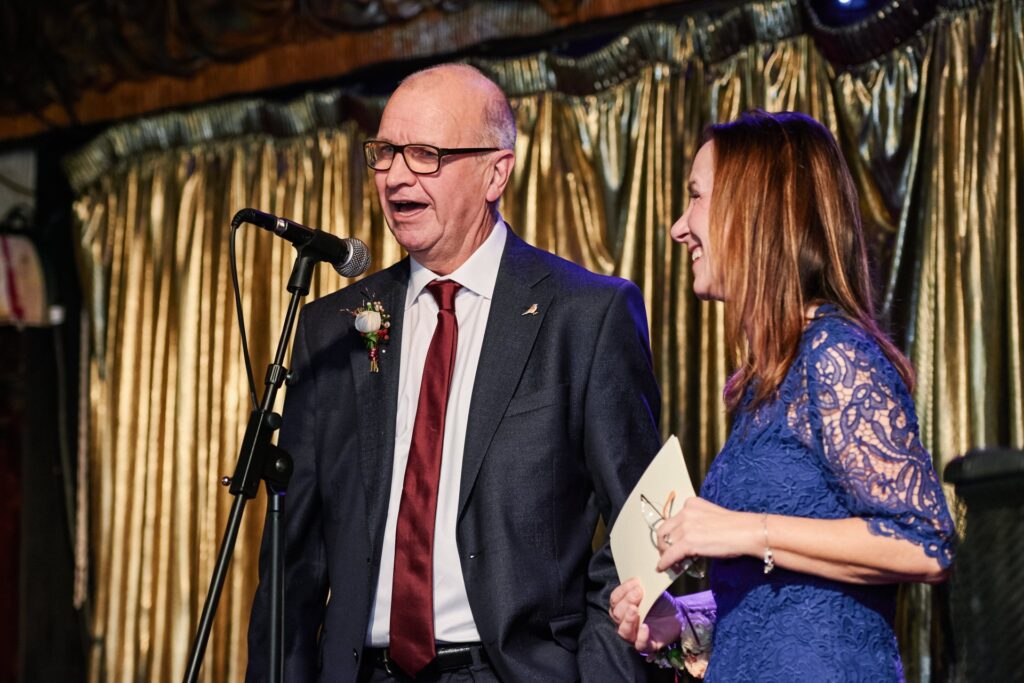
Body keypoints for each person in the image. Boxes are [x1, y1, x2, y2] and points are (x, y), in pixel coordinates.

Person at [246, 64, 663, 682]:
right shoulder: (332, 329)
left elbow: (639, 527)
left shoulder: (585, 315)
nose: (394, 176)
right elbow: (294, 562)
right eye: (384, 152)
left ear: (496, 171)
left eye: (425, 154)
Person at [609, 110, 955, 681]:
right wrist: (681, 621)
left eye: (696, 197)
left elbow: (923, 543)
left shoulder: (835, 354)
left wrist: (741, 528)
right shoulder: (765, 383)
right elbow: (785, 603)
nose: (678, 226)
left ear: (755, 211)